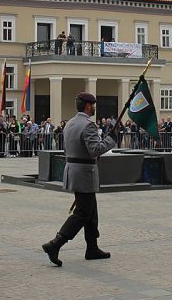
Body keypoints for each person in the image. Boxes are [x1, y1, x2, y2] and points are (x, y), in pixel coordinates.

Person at [41, 92, 116, 266]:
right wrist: (111, 140)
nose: (94, 107)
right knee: (83, 212)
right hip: (84, 172)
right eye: (94, 104)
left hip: (74, 170)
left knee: (91, 210)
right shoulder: (87, 125)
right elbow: (95, 149)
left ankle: (92, 247)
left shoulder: (70, 123)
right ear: (88, 106)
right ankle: (55, 243)